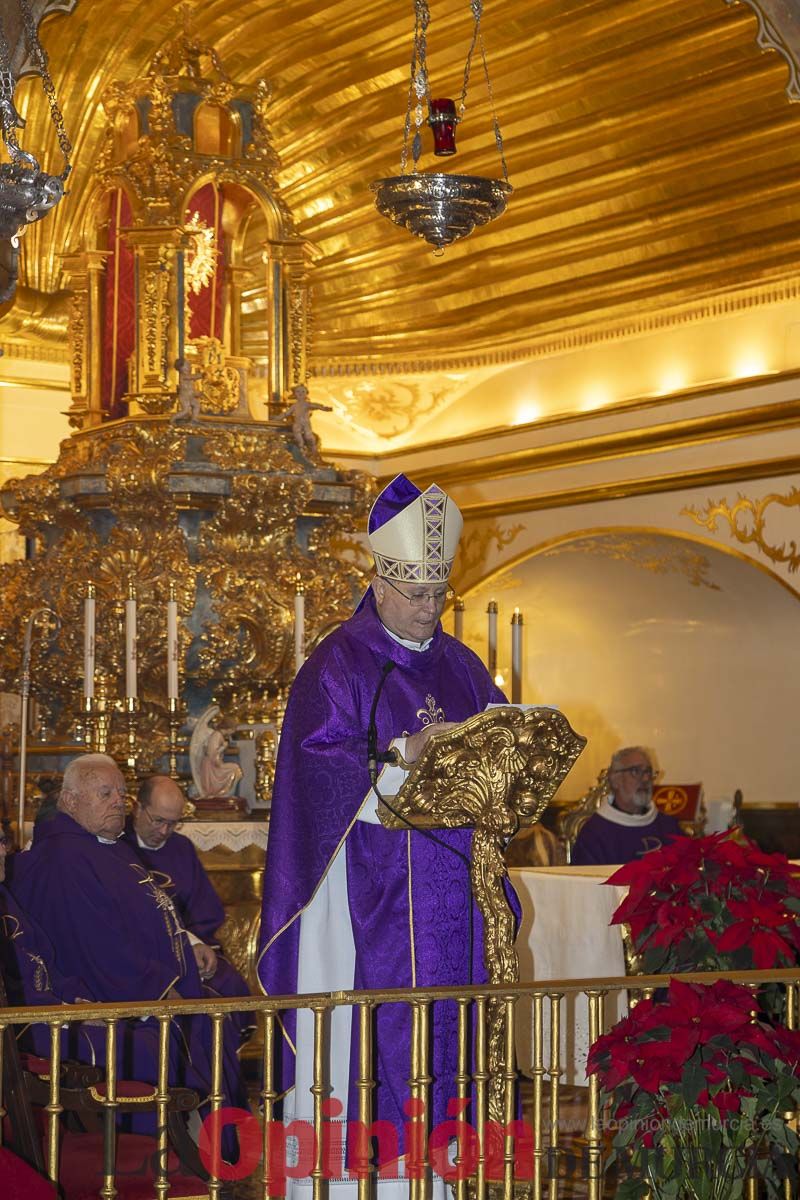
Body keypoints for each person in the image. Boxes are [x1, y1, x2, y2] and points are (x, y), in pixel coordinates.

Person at [258, 473, 514, 1192]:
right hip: (371, 894)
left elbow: (497, 742)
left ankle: (452, 1173)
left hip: (455, 889)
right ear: (380, 580)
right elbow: (316, 774)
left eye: (440, 595)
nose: (432, 608)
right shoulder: (338, 664)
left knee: (455, 1034)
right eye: (418, 594)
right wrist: (403, 765)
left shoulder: (461, 664)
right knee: (381, 1039)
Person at [10, 753, 247, 1141]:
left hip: (156, 984)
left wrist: (185, 946)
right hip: (123, 995)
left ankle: (217, 1154)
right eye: (105, 793)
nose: (119, 801)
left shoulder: (104, 845)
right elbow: (92, 940)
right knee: (190, 1033)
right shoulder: (64, 858)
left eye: (121, 792)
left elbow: (146, 911)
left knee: (214, 1019)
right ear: (70, 800)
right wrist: (156, 989)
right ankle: (163, 1156)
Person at [122, 774, 253, 1041]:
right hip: (143, 952)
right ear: (137, 807)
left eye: (173, 824)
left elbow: (202, 910)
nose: (163, 832)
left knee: (230, 987)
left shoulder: (181, 848)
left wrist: (196, 945)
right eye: (158, 820)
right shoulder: (117, 846)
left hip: (187, 946)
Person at [571, 745, 682, 865]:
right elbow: (585, 881)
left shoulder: (668, 826)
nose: (645, 778)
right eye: (635, 771)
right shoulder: (594, 834)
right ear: (615, 780)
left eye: (648, 772)